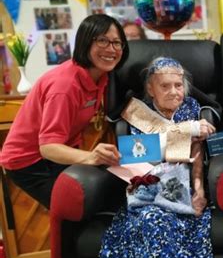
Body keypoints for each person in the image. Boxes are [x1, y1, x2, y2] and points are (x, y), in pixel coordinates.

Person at [99, 57, 216, 258]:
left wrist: (199, 192)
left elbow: (197, 153)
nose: (174, 92)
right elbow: (141, 154)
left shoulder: (192, 108)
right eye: (164, 86)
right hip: (150, 191)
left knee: (172, 226)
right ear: (150, 89)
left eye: (178, 85)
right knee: (151, 220)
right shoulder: (137, 113)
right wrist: (186, 132)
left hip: (185, 191)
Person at [0, 14, 129, 209]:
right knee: (75, 208)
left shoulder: (102, 76)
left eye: (117, 43)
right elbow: (48, 147)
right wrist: (91, 157)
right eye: (102, 41)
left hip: (61, 152)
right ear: (85, 42)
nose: (111, 49)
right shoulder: (65, 86)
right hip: (28, 161)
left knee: (110, 193)